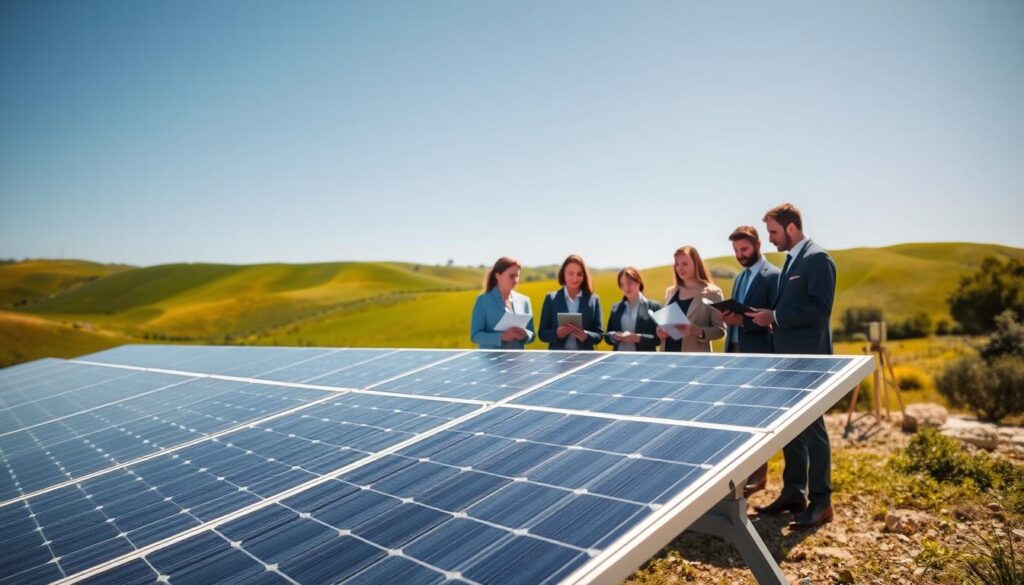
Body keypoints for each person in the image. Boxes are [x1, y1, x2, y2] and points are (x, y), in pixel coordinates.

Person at [746, 203, 837, 529]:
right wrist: (769, 318)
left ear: (791, 228)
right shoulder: (792, 260)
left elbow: (821, 307)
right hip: (787, 358)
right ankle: (794, 492)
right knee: (792, 429)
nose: (770, 239)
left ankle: (822, 501)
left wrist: (777, 317)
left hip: (808, 359)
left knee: (813, 430)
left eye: (773, 231)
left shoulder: (817, 259)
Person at [719, 225, 781, 497]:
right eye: (735, 251)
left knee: (758, 414)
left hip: (758, 353)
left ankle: (760, 474)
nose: (740, 255)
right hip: (734, 350)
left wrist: (742, 321)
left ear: (757, 245)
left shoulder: (773, 277)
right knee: (740, 415)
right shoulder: (740, 277)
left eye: (744, 249)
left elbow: (773, 320)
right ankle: (744, 471)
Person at [656, 246, 726, 352]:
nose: (680, 268)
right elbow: (664, 326)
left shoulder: (712, 292)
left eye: (685, 264)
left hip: (695, 360)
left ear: (696, 264)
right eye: (677, 264)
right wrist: (660, 331)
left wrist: (697, 331)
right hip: (668, 357)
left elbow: (720, 331)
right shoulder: (670, 292)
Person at [538, 255, 603, 350]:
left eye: (579, 274)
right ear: (563, 274)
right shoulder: (551, 299)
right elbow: (542, 334)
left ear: (584, 276)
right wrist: (556, 333)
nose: (575, 278)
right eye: (571, 273)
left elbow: (599, 335)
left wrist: (586, 335)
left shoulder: (594, 299)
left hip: (584, 358)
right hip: (557, 359)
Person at [470, 256, 535, 349]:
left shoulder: (525, 301)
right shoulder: (483, 300)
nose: (516, 280)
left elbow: (532, 335)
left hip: (517, 361)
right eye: (511, 276)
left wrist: (525, 334)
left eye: (517, 276)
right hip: (490, 361)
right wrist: (502, 336)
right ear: (497, 275)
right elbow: (475, 336)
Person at [604, 267, 662, 351]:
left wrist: (637, 338)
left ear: (639, 281)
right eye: (622, 285)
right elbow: (607, 336)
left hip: (643, 360)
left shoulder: (654, 307)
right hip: (619, 359)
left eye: (629, 282)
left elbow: (659, 339)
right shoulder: (615, 308)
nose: (626, 287)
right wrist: (613, 336)